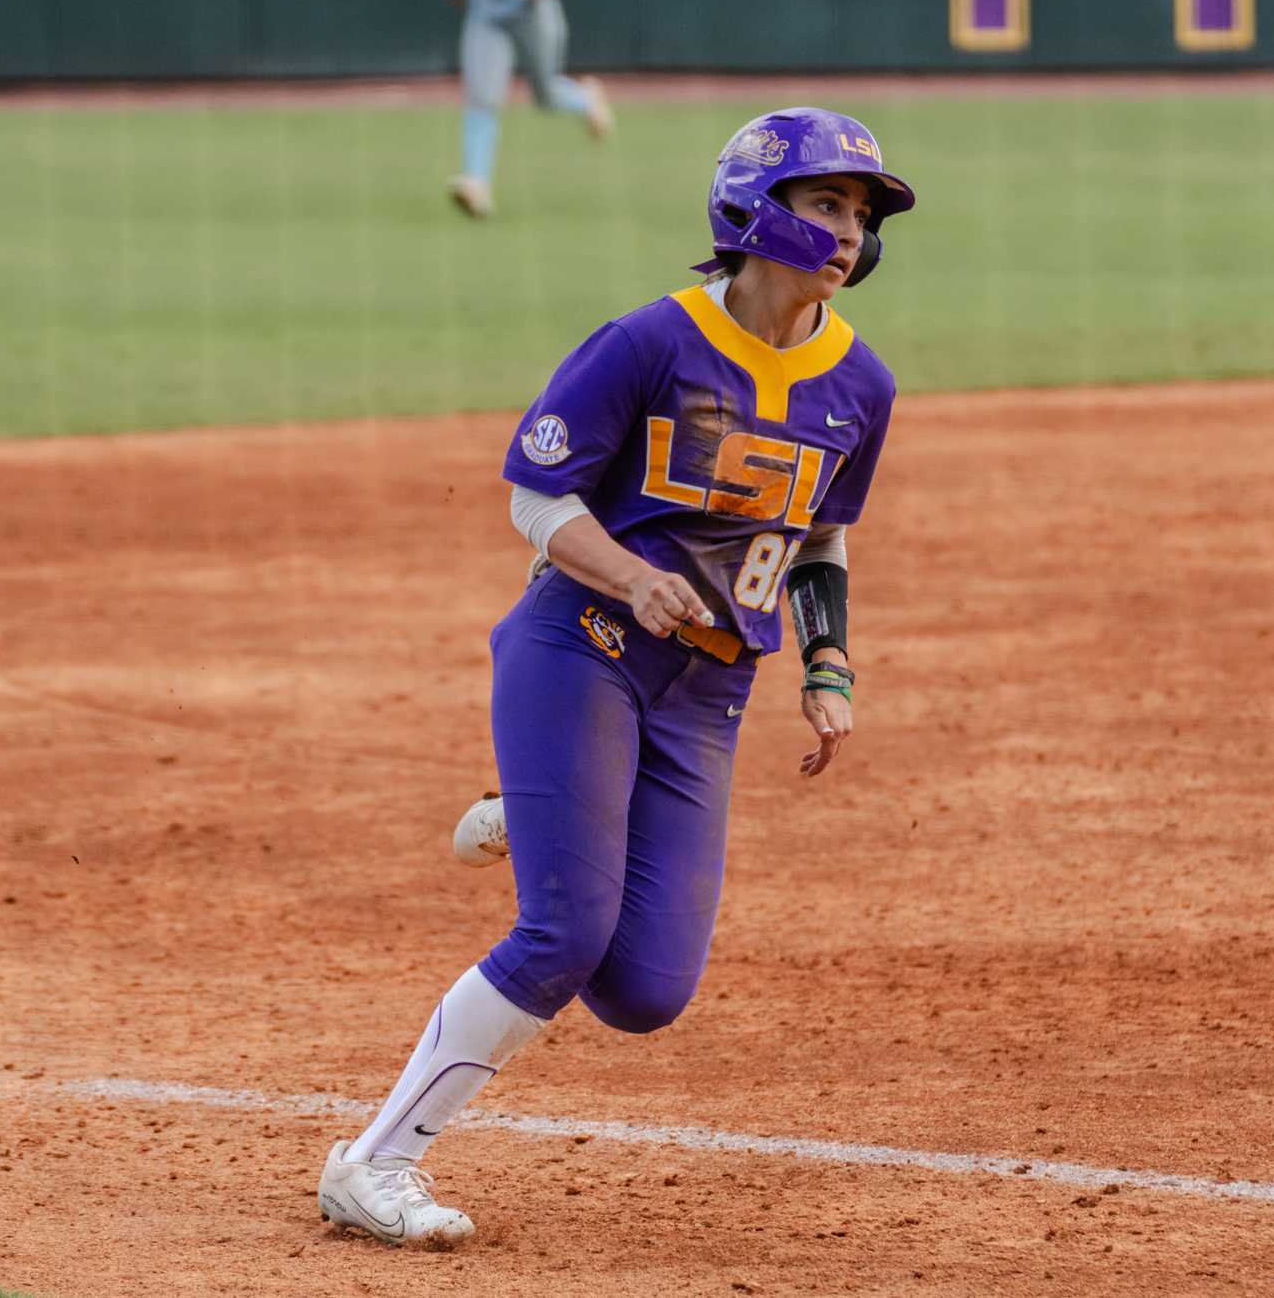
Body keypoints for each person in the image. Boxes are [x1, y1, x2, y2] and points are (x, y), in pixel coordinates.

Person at [317, 108, 918, 1243]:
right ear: (751, 210)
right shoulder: (650, 343)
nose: (848, 231)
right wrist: (630, 579)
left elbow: (822, 535)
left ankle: (546, 814)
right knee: (562, 936)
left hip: (706, 694)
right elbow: (535, 498)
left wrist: (828, 664)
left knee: (644, 991)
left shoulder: (860, 386)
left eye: (862, 214)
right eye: (825, 203)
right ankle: (374, 1163)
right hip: (579, 650)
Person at [436, 0, 615, 220]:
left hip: (533, 11)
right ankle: (476, 184)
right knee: (482, 96)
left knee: (545, 94)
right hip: (486, 13)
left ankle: (585, 99)